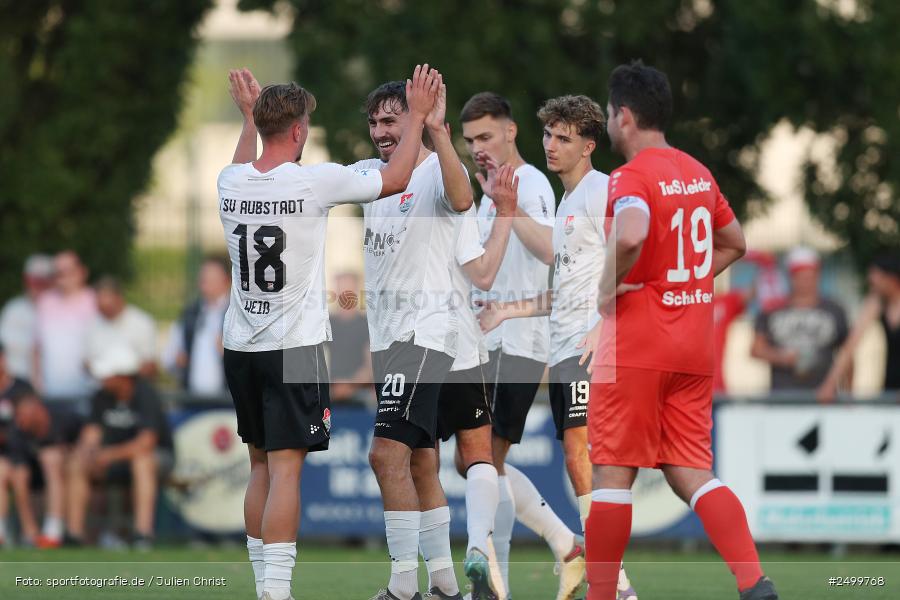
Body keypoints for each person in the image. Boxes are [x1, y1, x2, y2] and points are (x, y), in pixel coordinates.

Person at [227, 66, 439, 600]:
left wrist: (248, 121)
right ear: (298, 131)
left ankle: (262, 587)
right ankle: (277, 591)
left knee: (257, 465)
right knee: (286, 471)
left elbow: (242, 163)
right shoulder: (313, 180)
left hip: (240, 345)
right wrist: (416, 117)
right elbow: (395, 179)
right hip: (293, 347)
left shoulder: (229, 182)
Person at [586, 62, 778, 600]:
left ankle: (600, 597)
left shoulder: (631, 176)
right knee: (691, 472)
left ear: (624, 116)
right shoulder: (697, 171)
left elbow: (630, 235)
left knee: (612, 476)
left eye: (608, 112)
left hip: (637, 346)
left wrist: (608, 286)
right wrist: (684, 283)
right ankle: (754, 583)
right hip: (693, 348)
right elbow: (733, 241)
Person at [478, 95, 637, 600]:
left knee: (581, 455)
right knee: (579, 460)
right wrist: (509, 310)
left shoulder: (599, 190)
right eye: (548, 135)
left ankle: (612, 583)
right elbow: (566, 287)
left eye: (563, 138)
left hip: (591, 349)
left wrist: (606, 324)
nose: (551, 145)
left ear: (589, 146)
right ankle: (601, 574)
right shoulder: (569, 203)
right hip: (566, 348)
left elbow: (638, 251)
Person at [349, 71, 472, 600]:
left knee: (384, 455)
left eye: (391, 119)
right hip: (389, 337)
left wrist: (438, 131)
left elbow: (463, 199)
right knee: (420, 459)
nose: (380, 130)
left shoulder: (432, 172)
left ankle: (402, 587)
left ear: (415, 120)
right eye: (374, 121)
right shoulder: (370, 176)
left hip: (425, 332)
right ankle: (444, 582)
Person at [460, 92, 582, 600]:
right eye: (469, 142)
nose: (478, 149)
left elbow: (552, 250)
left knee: (479, 461)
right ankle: (547, 554)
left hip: (518, 341)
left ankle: (522, 564)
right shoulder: (492, 190)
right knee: (486, 463)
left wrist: (510, 208)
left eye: (486, 137)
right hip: (489, 341)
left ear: (511, 132)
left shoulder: (527, 183)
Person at [436, 164, 518, 600]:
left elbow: (484, 275)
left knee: (417, 462)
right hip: (465, 342)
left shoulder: (390, 182)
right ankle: (477, 553)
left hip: (418, 345)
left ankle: (432, 581)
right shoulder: (460, 188)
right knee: (478, 457)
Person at [65, 346, 172, 548]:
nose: (101, 379)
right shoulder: (101, 396)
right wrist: (88, 453)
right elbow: (91, 433)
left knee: (142, 462)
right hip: (113, 459)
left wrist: (109, 455)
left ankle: (143, 534)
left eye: (107, 375)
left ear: (123, 377)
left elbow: (146, 443)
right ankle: (74, 535)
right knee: (78, 463)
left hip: (157, 459)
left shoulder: (146, 394)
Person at [751, 247, 849, 394]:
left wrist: (848, 393)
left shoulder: (834, 310)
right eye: (800, 277)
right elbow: (756, 349)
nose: (805, 282)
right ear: (791, 278)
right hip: (782, 395)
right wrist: (784, 358)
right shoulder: (772, 310)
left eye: (810, 276)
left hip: (823, 395)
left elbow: (847, 354)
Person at [818, 252, 900, 401]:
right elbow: (850, 346)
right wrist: (830, 384)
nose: (870, 281)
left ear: (892, 279)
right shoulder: (876, 303)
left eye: (876, 277)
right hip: (890, 386)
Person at [34, 250, 97, 404]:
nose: (62, 276)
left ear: (82, 271)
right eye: (57, 272)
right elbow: (36, 348)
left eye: (67, 270)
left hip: (88, 393)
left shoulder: (94, 301)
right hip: (50, 394)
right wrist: (37, 384)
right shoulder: (45, 302)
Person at [162, 257, 231, 397]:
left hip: (228, 402)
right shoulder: (189, 314)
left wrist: (232, 354)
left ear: (227, 280)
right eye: (203, 278)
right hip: (192, 400)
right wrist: (177, 360)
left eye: (211, 278)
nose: (204, 283)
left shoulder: (238, 314)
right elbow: (169, 358)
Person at [0, 343, 43, 546]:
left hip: (24, 454)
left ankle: (30, 532)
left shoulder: (22, 387)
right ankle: (4, 531)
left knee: (19, 476)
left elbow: (32, 425)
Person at [86, 277, 158, 379]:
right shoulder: (92, 324)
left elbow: (150, 364)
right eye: (101, 307)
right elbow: (86, 362)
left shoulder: (141, 322)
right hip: (101, 388)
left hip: (135, 387)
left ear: (119, 298)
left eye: (108, 306)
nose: (105, 310)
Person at [0, 255, 54, 381]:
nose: (37, 287)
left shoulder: (62, 311)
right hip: (19, 382)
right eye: (33, 281)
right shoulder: (14, 309)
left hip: (54, 383)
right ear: (26, 280)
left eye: (43, 282)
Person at [328, 272, 373, 405]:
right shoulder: (326, 324)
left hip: (359, 391)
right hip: (330, 389)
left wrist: (349, 386)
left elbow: (370, 367)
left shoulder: (367, 325)